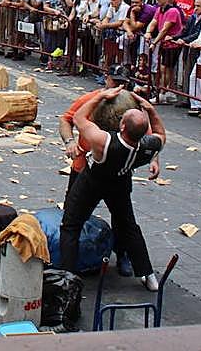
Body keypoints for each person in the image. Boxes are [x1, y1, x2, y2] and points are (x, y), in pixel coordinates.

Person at [60, 85, 165, 292]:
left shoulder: (105, 142)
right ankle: (148, 275)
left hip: (93, 182)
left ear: (122, 127)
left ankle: (67, 279)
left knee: (70, 226)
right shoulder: (148, 146)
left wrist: (99, 96)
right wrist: (151, 110)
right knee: (129, 226)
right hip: (120, 181)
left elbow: (80, 119)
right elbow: (161, 133)